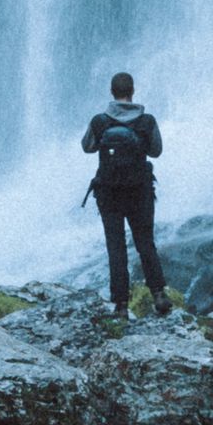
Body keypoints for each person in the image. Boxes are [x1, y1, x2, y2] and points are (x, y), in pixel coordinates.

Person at [82, 71, 168, 319]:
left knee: (116, 248)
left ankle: (120, 306)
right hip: (139, 191)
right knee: (145, 243)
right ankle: (159, 295)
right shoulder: (146, 121)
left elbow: (87, 147)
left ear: (112, 92)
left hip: (109, 194)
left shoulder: (100, 122)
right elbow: (156, 151)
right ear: (132, 91)